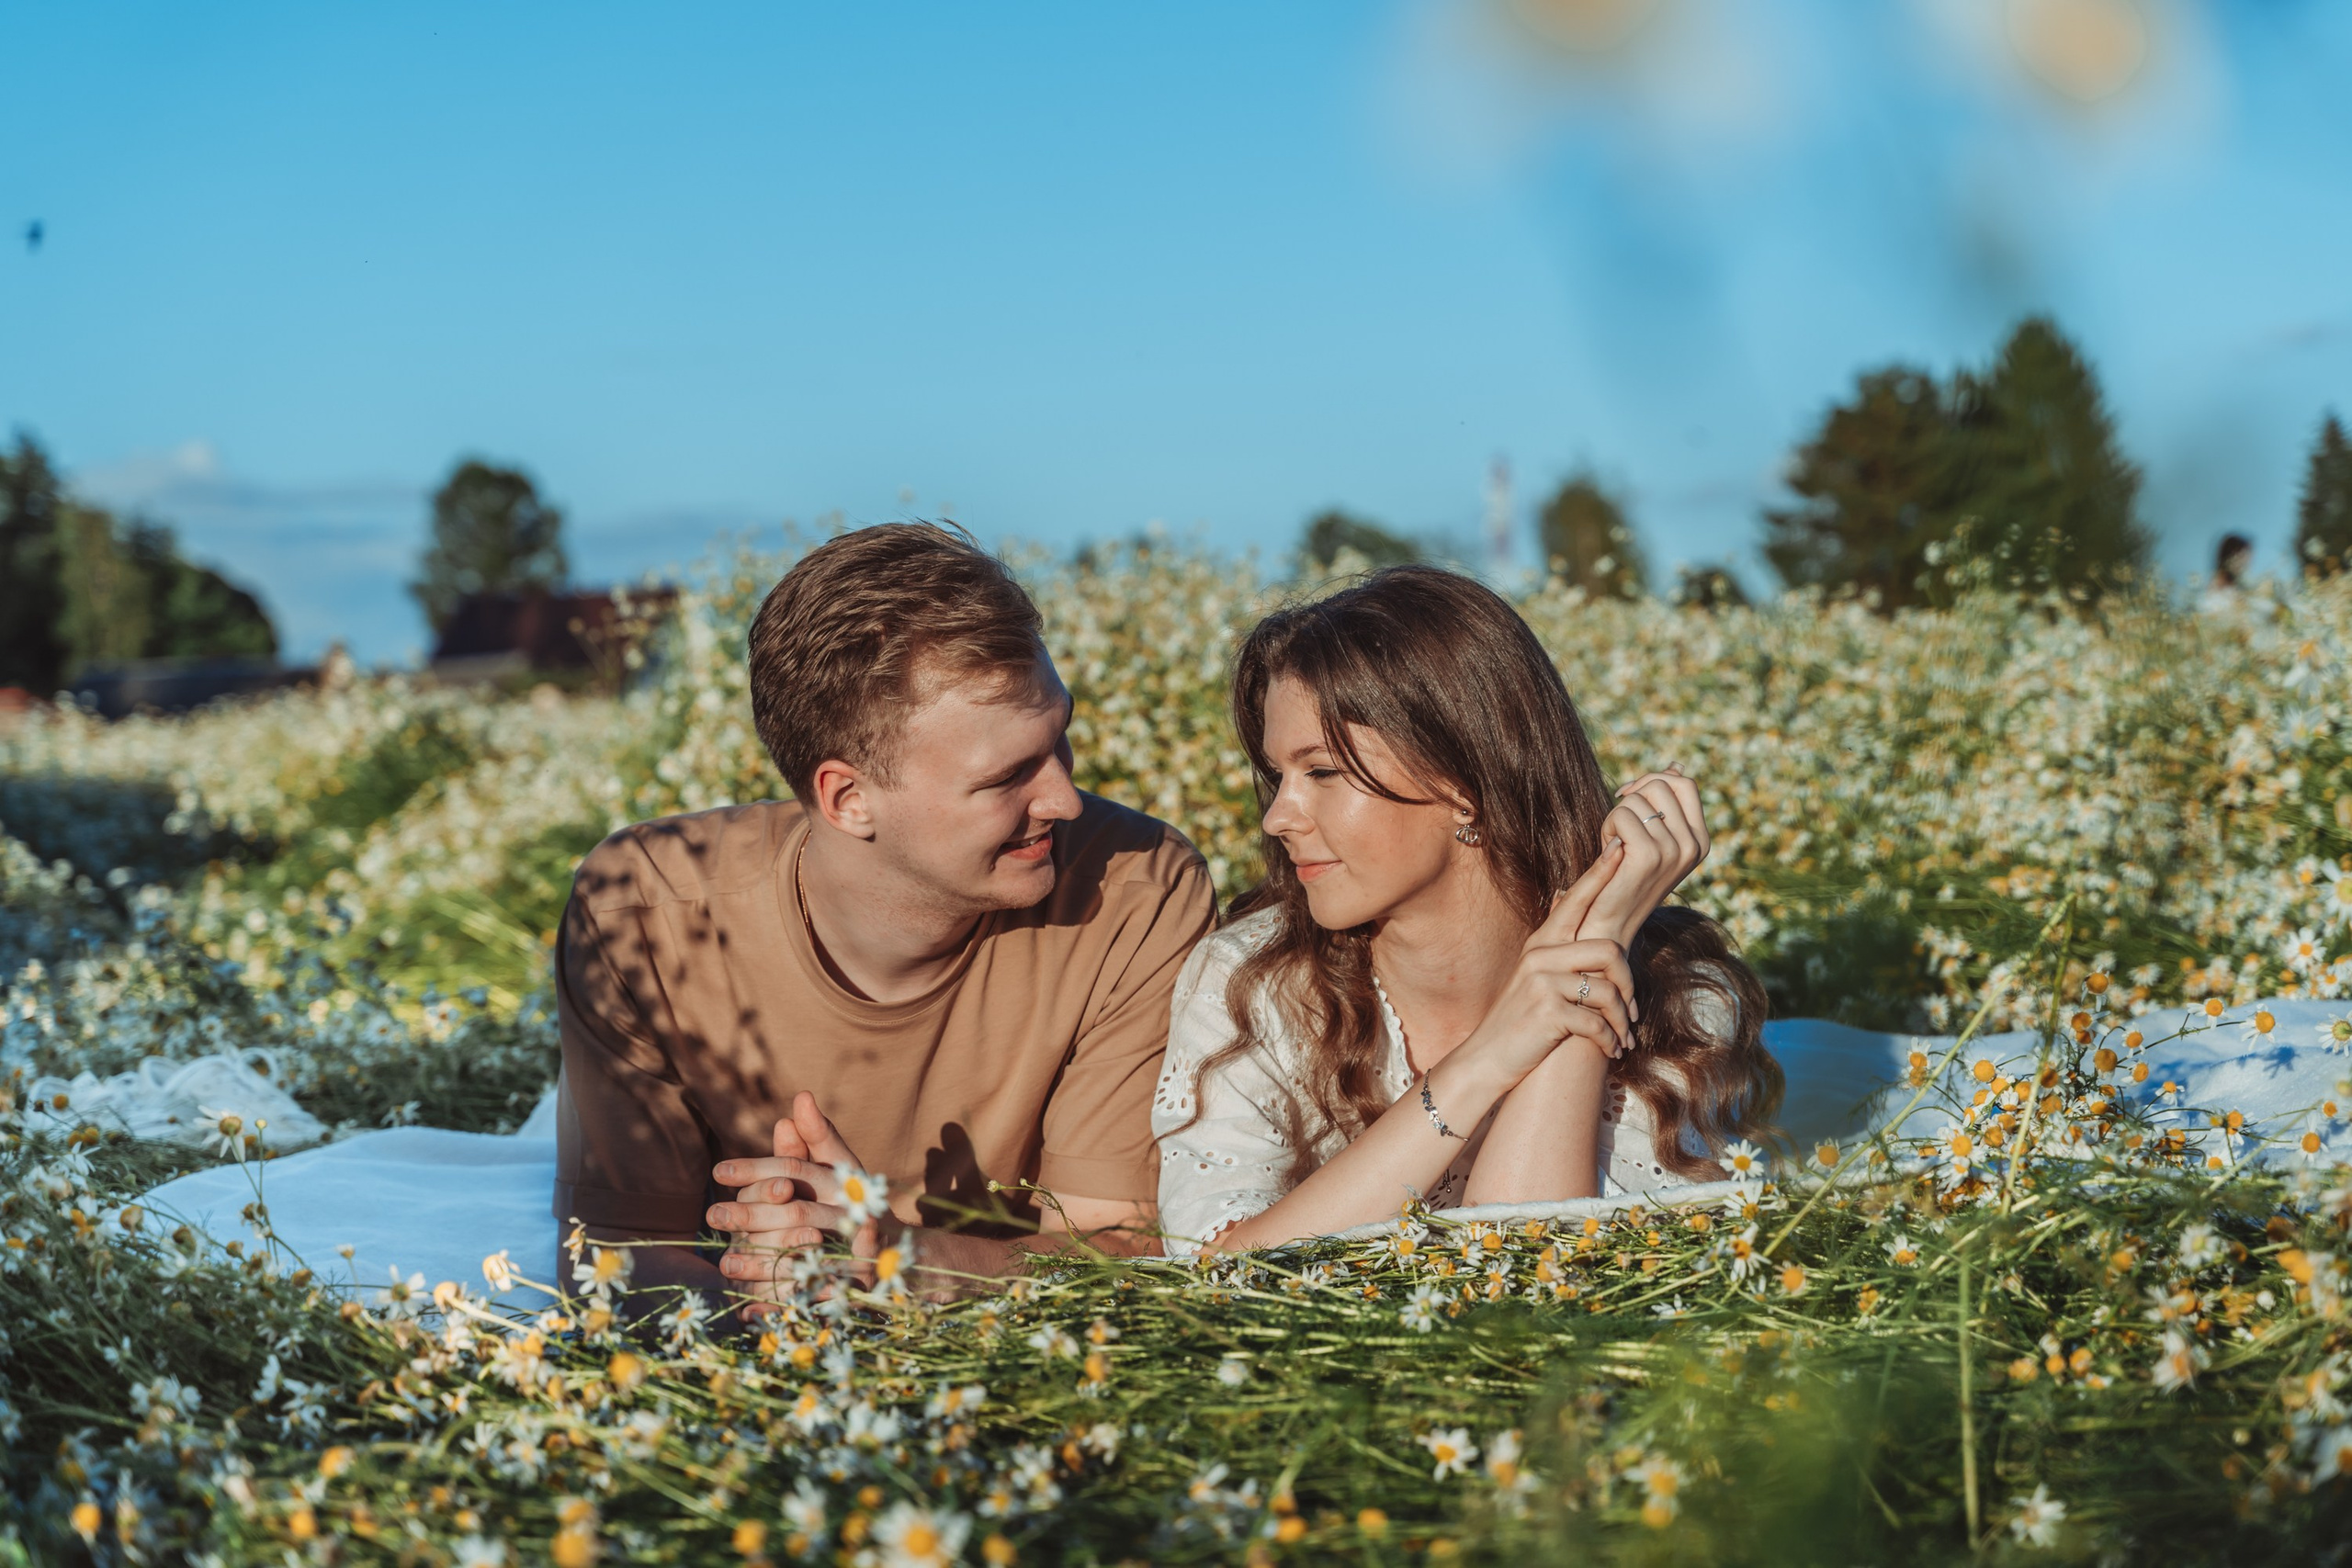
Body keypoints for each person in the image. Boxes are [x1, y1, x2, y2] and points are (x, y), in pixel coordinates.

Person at [554, 524, 1216, 1309]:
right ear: (848, 799)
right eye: (1007, 777)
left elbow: (1125, 1254)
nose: (1065, 799)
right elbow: (615, 1262)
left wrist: (898, 1265)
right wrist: (771, 1306)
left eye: (1059, 739)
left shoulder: (1138, 888)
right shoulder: (642, 914)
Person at [1152, 566, 1781, 1252]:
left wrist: (1594, 943)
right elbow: (1220, 1271)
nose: (1277, 817)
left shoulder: (1675, 999)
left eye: (1322, 771)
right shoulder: (1253, 983)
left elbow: (1530, 1273)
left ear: (1462, 782)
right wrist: (1487, 1057)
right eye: (1278, 777)